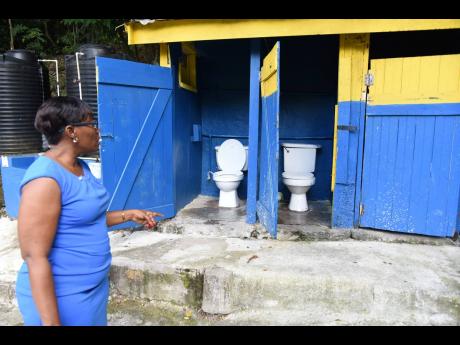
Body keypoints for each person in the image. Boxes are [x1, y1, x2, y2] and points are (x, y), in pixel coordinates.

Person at [15, 96, 163, 326]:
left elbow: (85, 219)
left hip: (92, 290)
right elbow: (35, 257)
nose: (98, 131)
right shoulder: (45, 179)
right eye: (92, 124)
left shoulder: (79, 166)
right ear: (71, 131)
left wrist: (129, 214)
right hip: (63, 296)